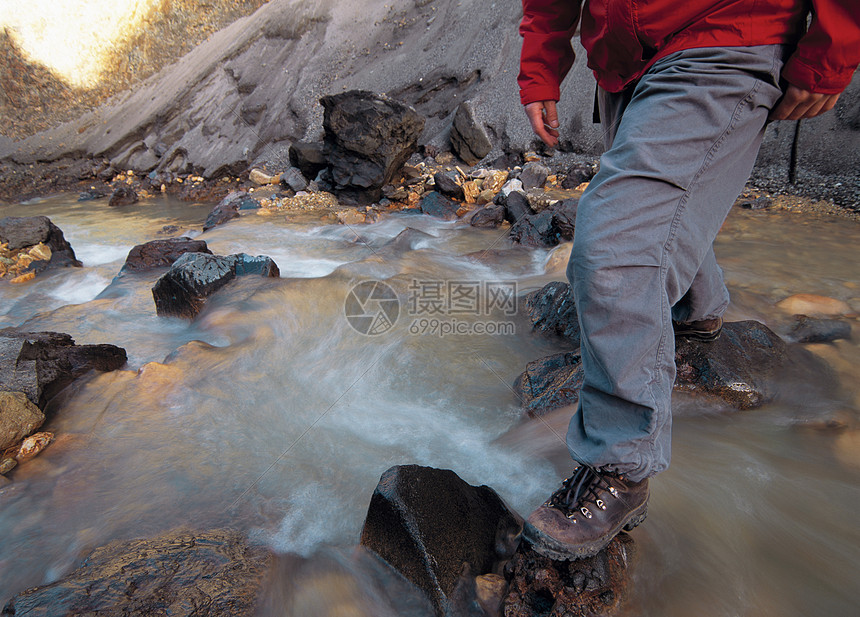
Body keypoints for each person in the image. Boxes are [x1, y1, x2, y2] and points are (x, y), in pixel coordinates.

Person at [517, 0, 860, 560]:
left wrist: (831, 50)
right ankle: (697, 307)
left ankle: (619, 466)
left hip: (727, 34)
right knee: (655, 209)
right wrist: (540, 70)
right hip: (623, 58)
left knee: (615, 250)